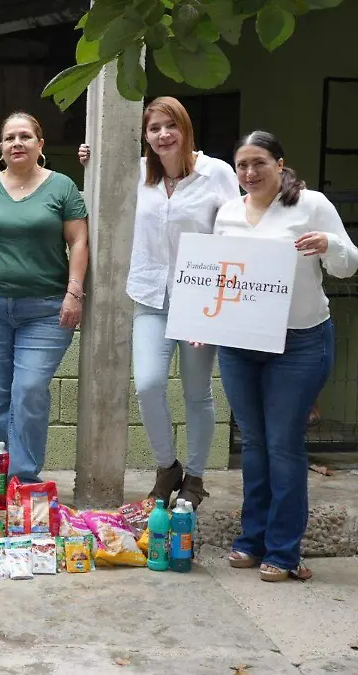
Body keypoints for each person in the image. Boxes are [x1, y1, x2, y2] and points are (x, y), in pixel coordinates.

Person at [77, 96, 239, 509]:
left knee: (197, 393)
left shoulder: (215, 173)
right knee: (148, 384)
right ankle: (167, 466)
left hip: (201, 300)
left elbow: (235, 231)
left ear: (185, 128)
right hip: (151, 294)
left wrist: (214, 311)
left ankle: (196, 478)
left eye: (171, 126)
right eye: (154, 129)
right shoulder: (140, 175)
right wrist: (90, 159)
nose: (163, 135)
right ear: (145, 137)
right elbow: (103, 180)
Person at [216, 131, 358, 582]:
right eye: (242, 165)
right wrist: (202, 323)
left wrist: (329, 247)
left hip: (299, 342)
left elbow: (349, 263)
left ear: (280, 164)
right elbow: (219, 276)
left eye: (260, 163)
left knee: (282, 443)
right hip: (240, 343)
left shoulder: (311, 205)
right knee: (254, 443)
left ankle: (283, 549)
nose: (250, 173)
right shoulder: (228, 212)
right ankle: (250, 539)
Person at [0, 111, 88, 484]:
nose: (18, 143)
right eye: (10, 137)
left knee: (28, 390)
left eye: (26, 136)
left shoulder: (61, 187)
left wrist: (74, 292)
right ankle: (2, 479)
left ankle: (24, 480)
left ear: (40, 145)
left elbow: (79, 241)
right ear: (1, 146)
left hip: (46, 310)